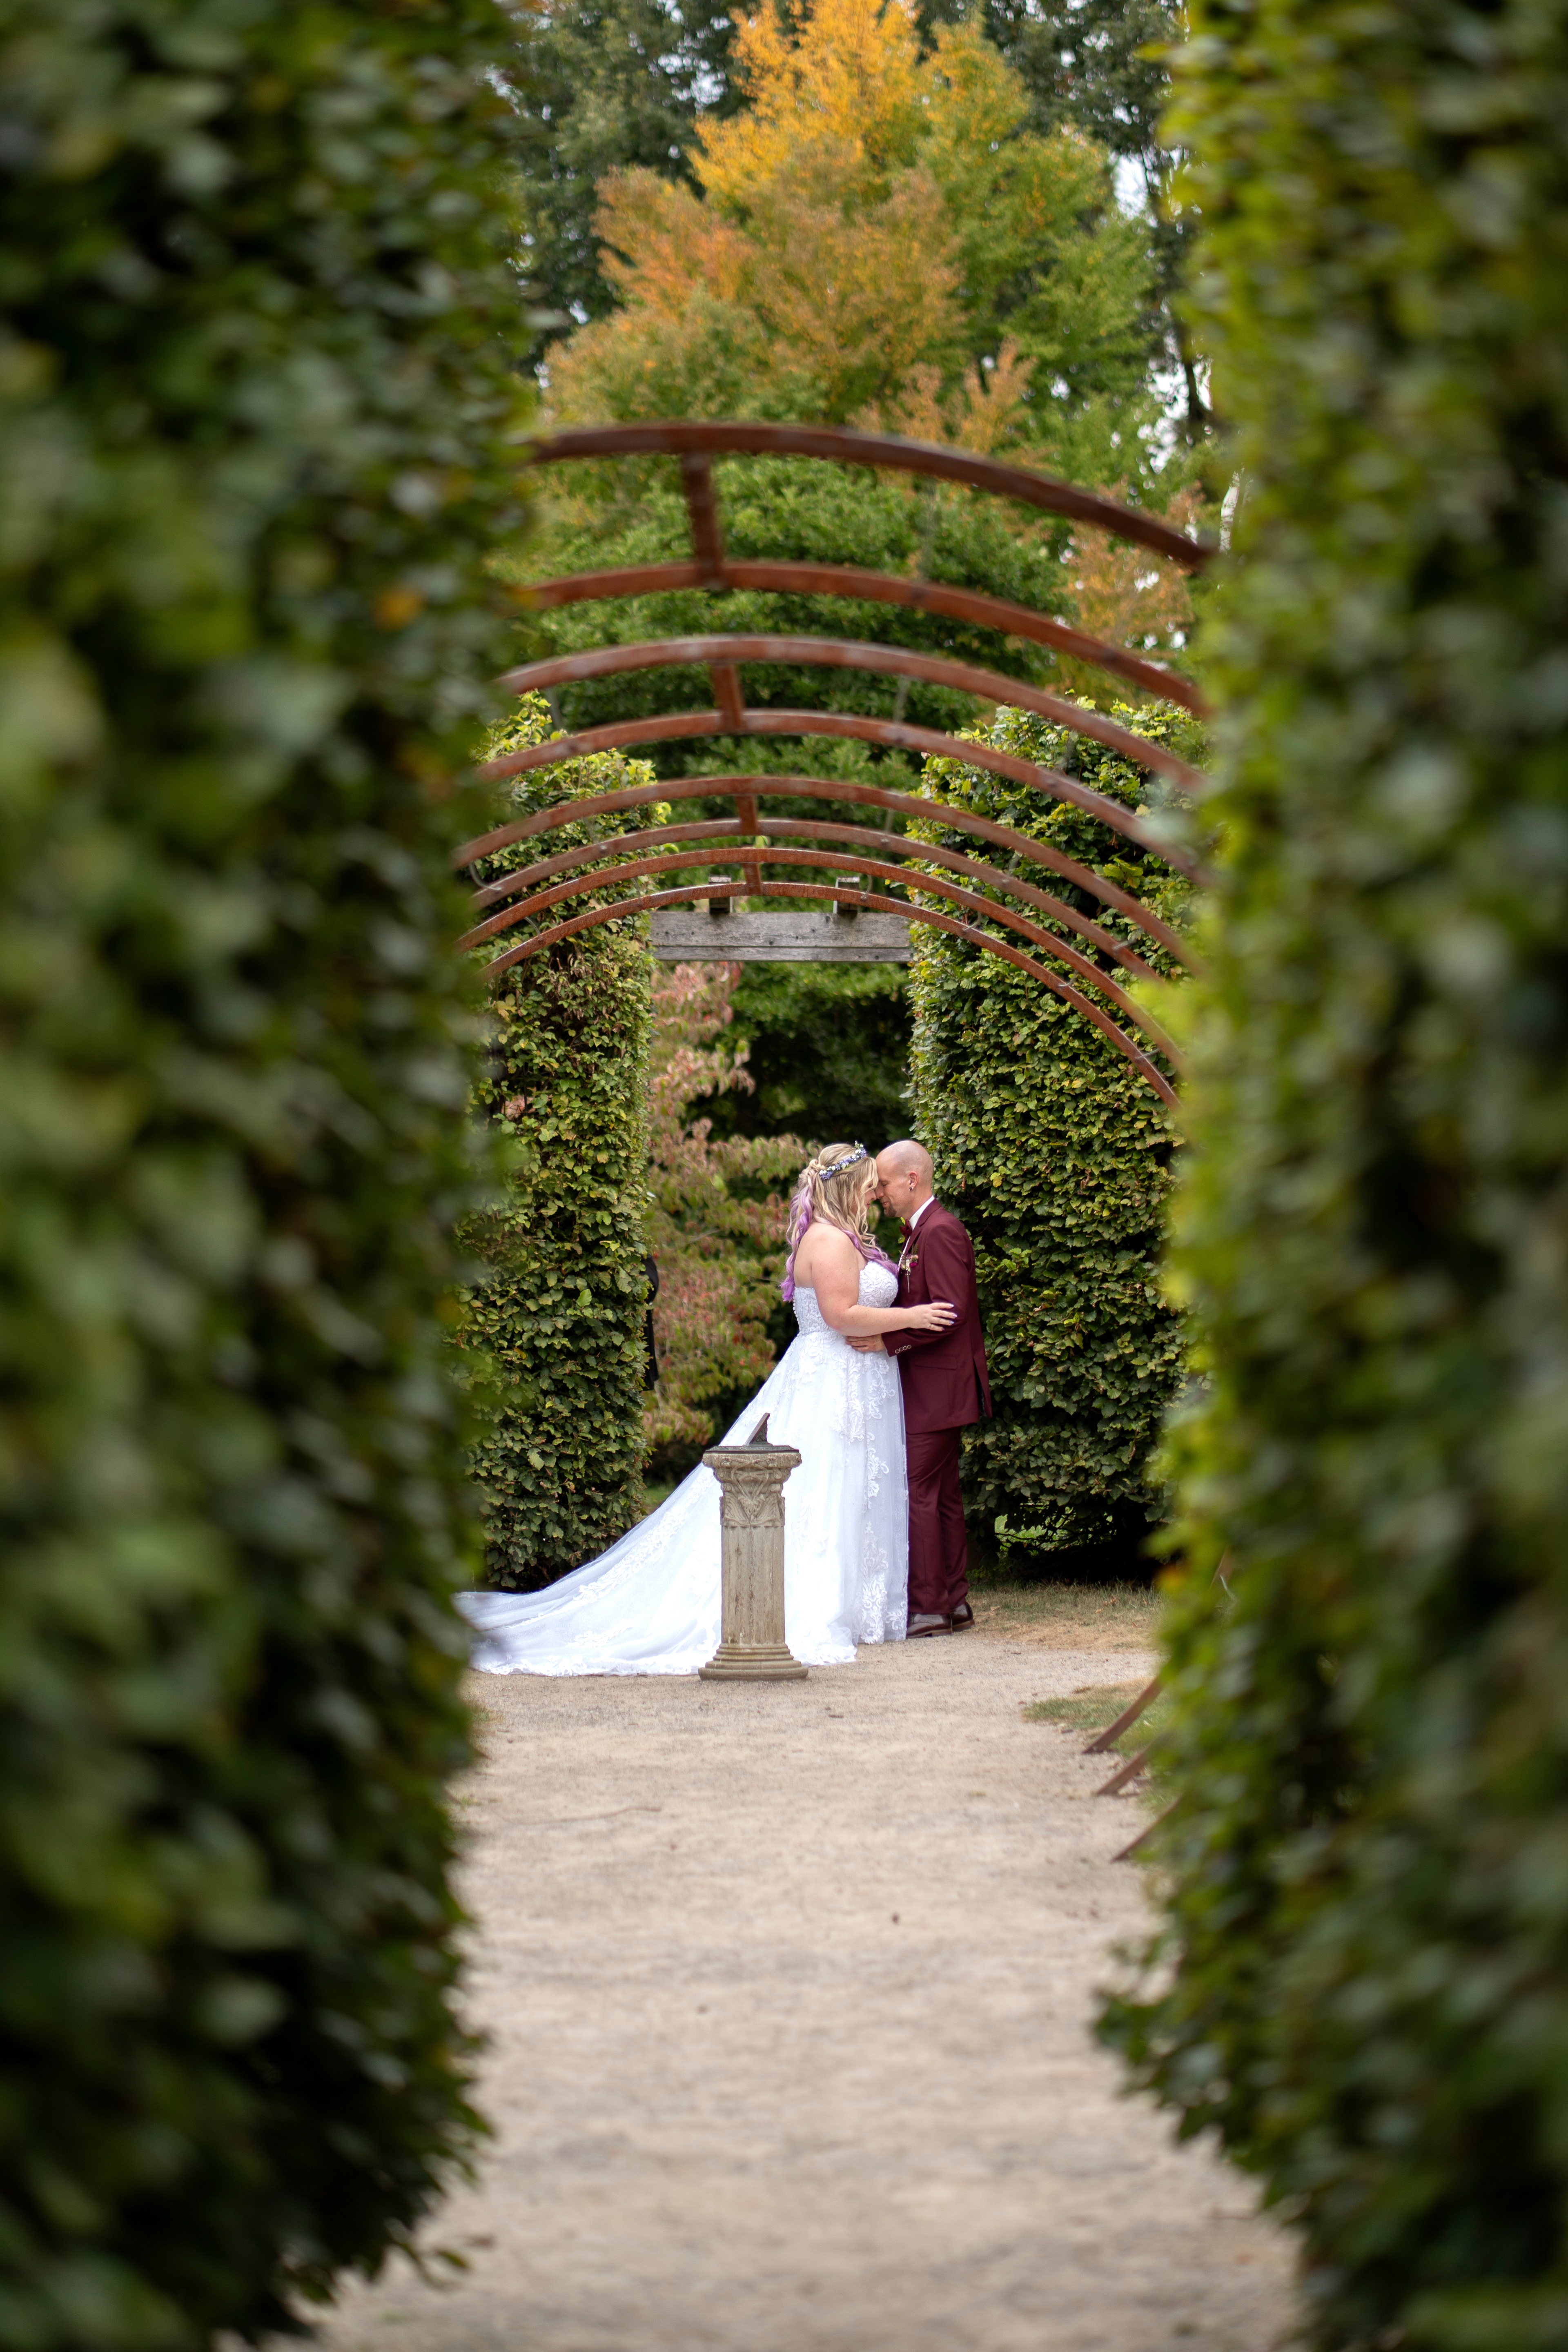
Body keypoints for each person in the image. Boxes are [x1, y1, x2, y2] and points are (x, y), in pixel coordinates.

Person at [456, 1144, 958, 1675]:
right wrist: (914, 1316)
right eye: (867, 1186)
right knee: (823, 1488)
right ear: (844, 1188)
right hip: (833, 1383)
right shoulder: (830, 1241)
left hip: (857, 1381)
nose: (875, 1194)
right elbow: (840, 1315)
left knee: (854, 1487)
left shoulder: (843, 1237)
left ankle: (863, 1605)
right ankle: (814, 1603)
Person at [851, 1141, 990, 1637]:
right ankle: (954, 1603)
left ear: (912, 1180)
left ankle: (930, 1606)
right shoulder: (919, 1234)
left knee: (919, 1492)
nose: (881, 1194)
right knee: (943, 1494)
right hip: (934, 1387)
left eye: (885, 1184)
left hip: (940, 1388)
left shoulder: (943, 1231)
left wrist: (890, 1341)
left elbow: (948, 1315)